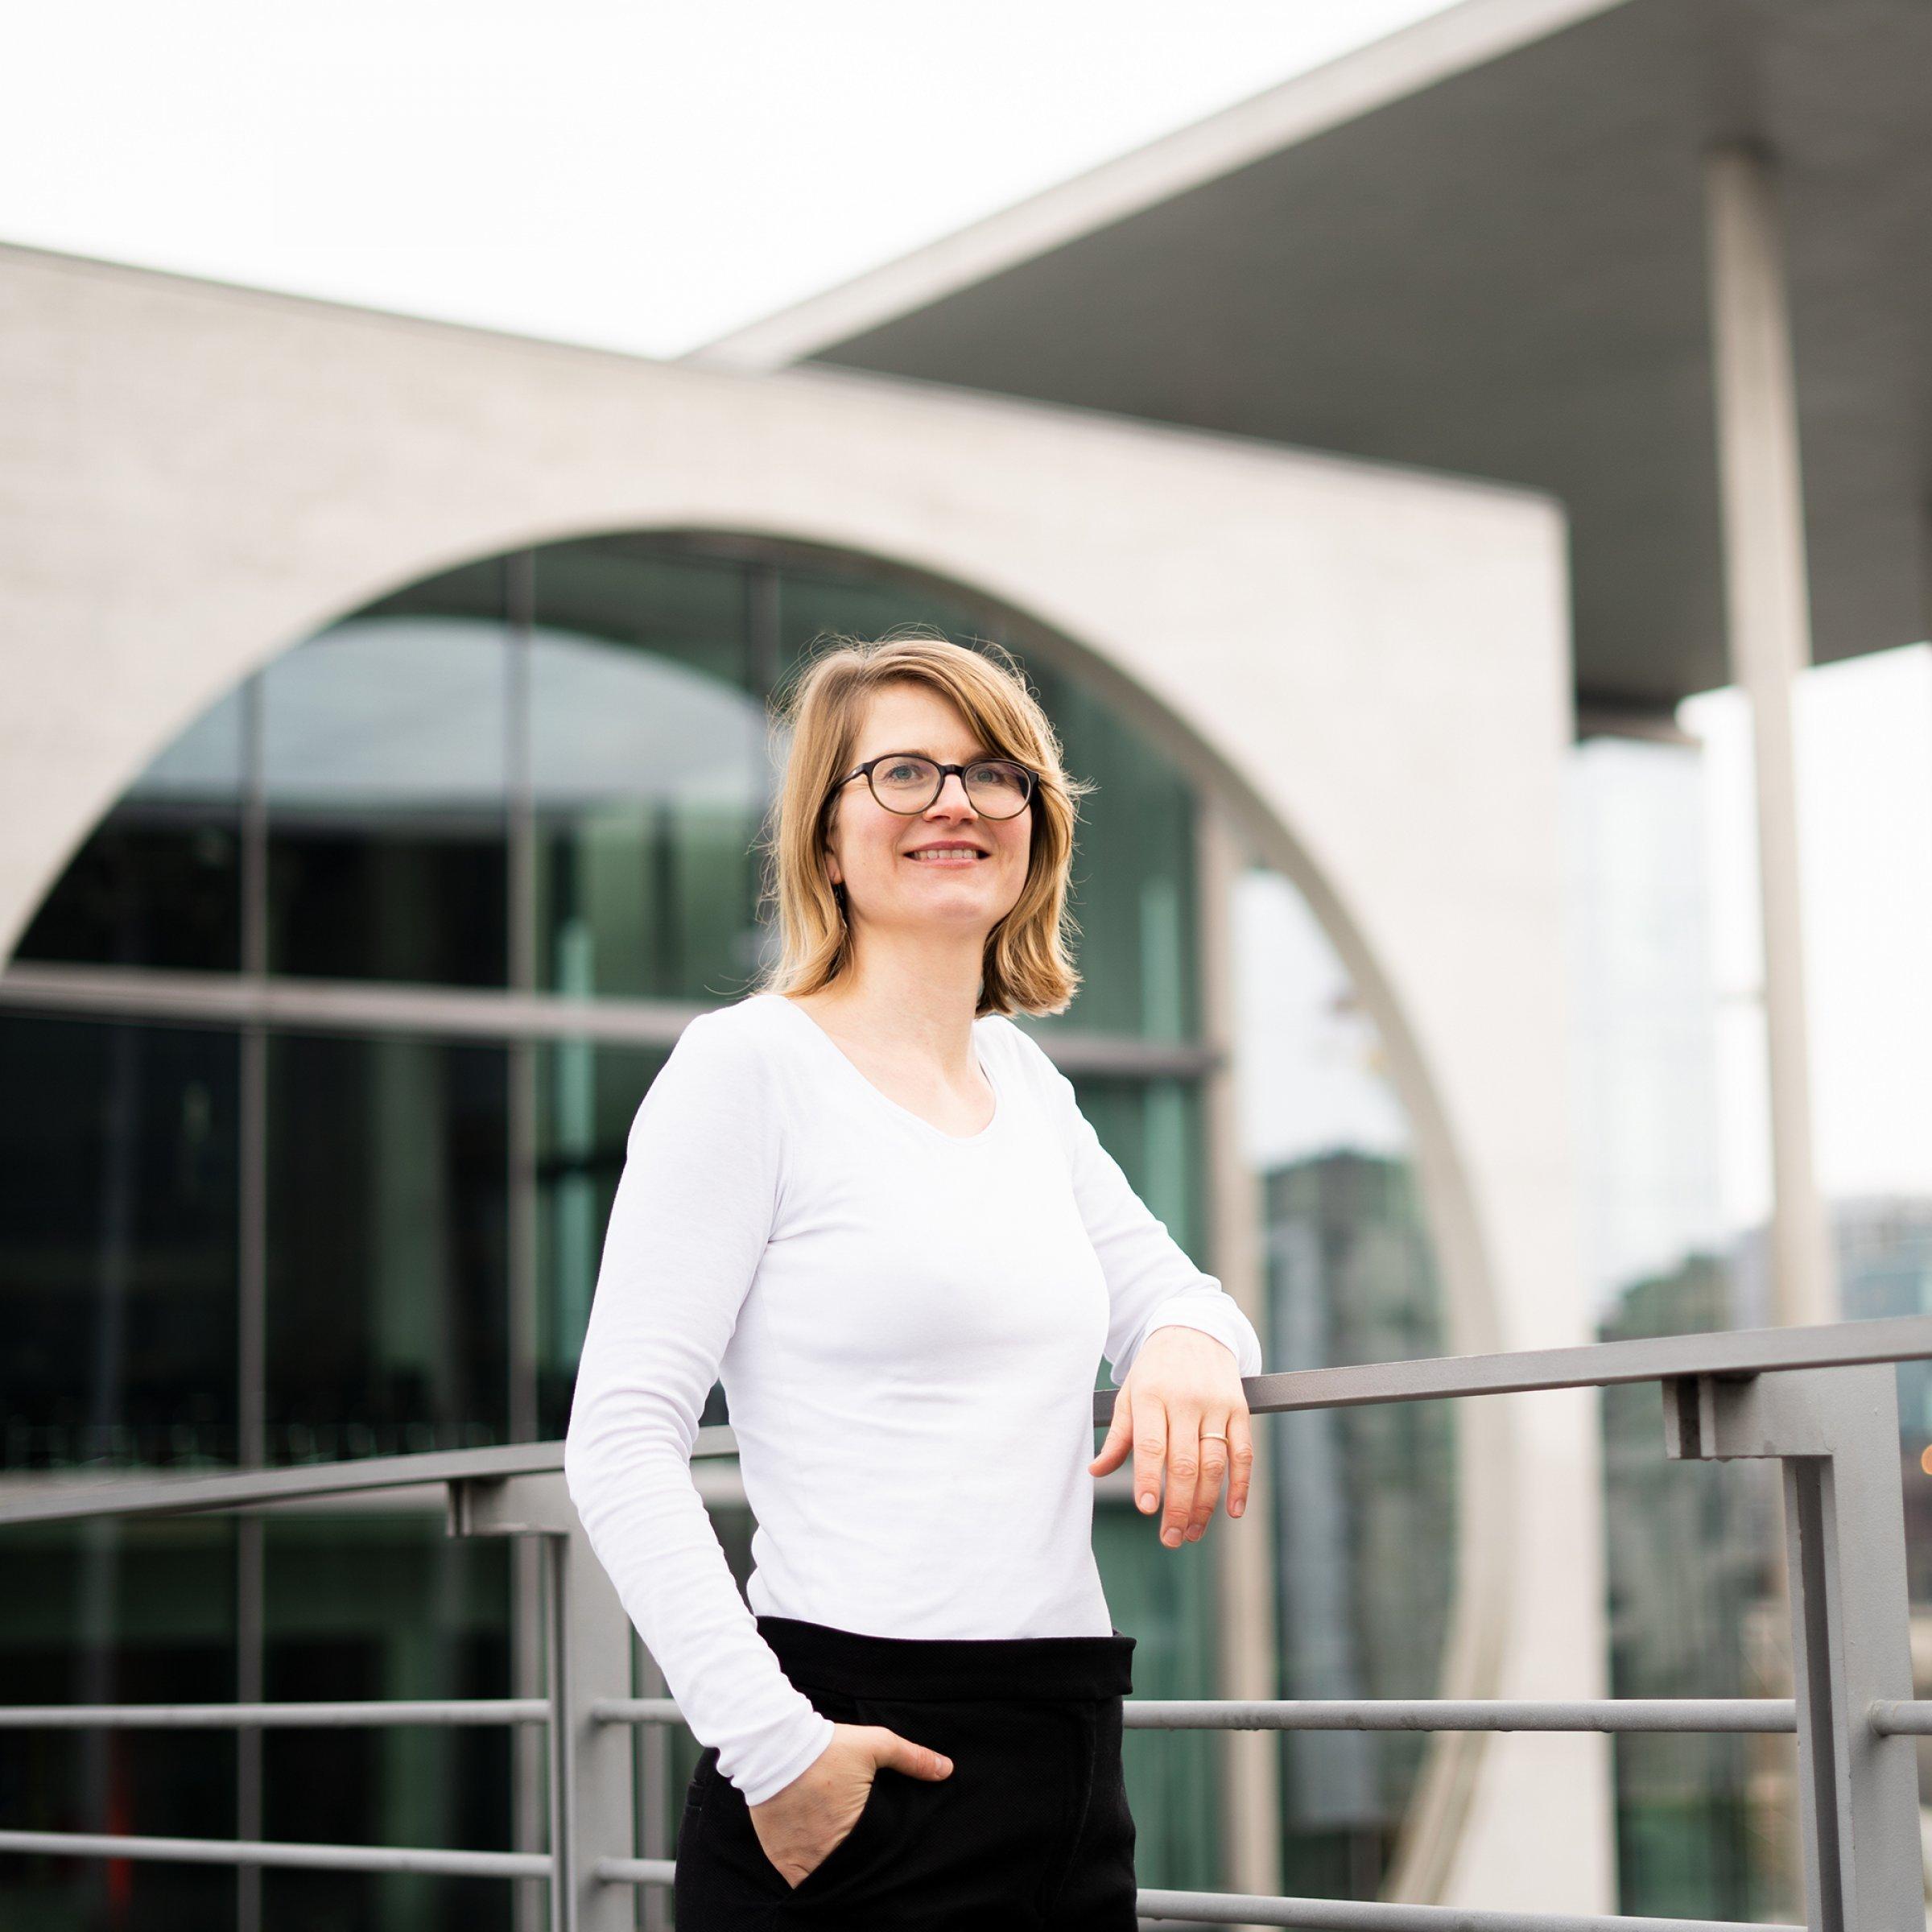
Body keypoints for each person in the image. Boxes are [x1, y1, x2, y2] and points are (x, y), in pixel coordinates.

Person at [562, 628, 1263, 1929]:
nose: (955, 801)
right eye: (902, 774)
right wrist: (775, 1752)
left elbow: (1179, 1292)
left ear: (1036, 827)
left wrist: (1185, 1341)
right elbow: (617, 1437)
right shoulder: (747, 1069)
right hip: (845, 1763)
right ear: (827, 837)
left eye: (994, 773)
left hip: (1065, 1758)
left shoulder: (1023, 1082)